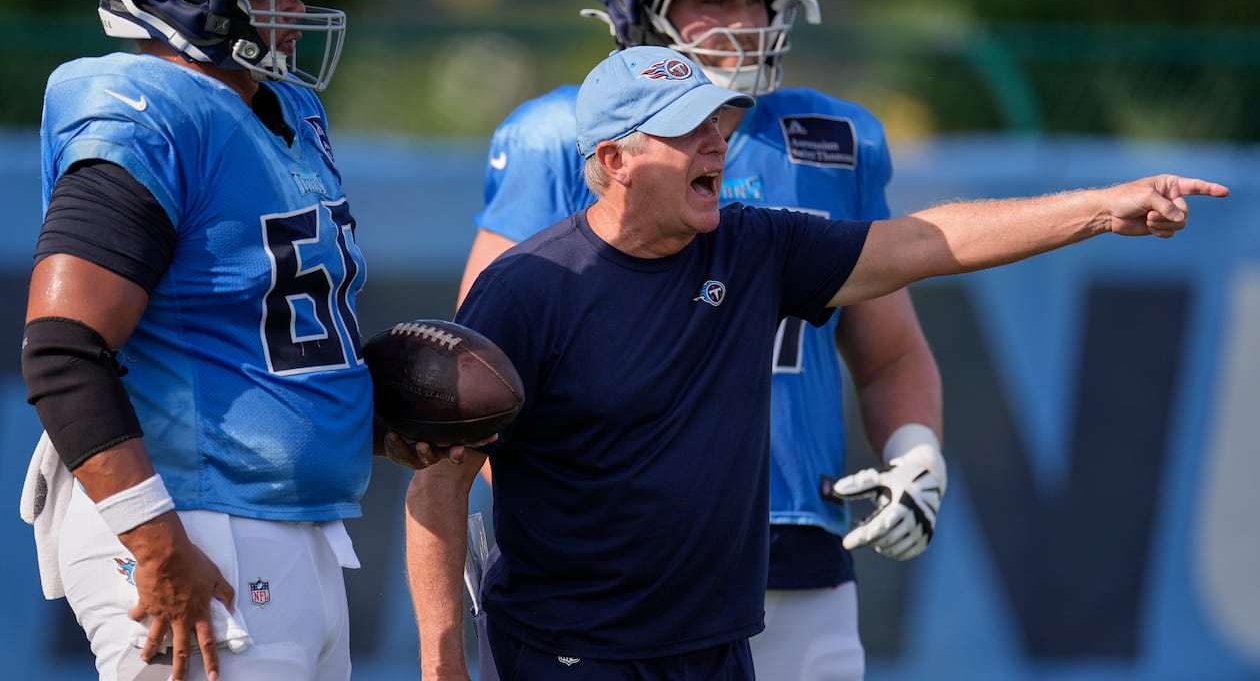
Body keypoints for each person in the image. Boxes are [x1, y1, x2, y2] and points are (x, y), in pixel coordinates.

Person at [405, 44, 1228, 680]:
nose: (716, 143)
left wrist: (1097, 210)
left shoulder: (753, 245)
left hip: (715, 650)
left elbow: (924, 242)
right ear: (614, 161)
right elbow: (438, 483)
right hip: (570, 654)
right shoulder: (530, 289)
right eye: (685, 130)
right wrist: (443, 663)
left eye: (717, 122)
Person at [408, 0, 944, 680]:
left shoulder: (835, 138)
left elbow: (890, 347)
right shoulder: (566, 132)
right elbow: (476, 379)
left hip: (797, 538)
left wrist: (915, 446)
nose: (745, 21)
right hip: (615, 566)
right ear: (642, 11)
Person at [15, 0, 427, 680]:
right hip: (192, 522)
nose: (293, 6)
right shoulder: (146, 116)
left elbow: (256, 322)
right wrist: (154, 538)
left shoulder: (281, 108)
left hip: (289, 524)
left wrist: (364, 415)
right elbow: (61, 349)